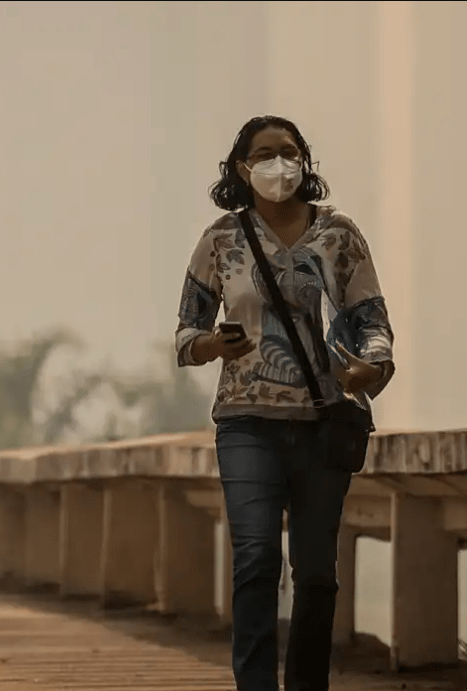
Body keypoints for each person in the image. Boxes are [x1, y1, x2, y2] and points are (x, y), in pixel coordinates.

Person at [175, 115, 395, 691]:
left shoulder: (338, 235)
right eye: (265, 154)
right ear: (242, 169)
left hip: (324, 423)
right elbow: (185, 333)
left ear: (306, 161)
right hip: (247, 423)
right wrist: (209, 345)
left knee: (318, 574)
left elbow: (371, 319)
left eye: (290, 152)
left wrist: (373, 365)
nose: (280, 164)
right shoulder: (219, 240)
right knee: (255, 560)